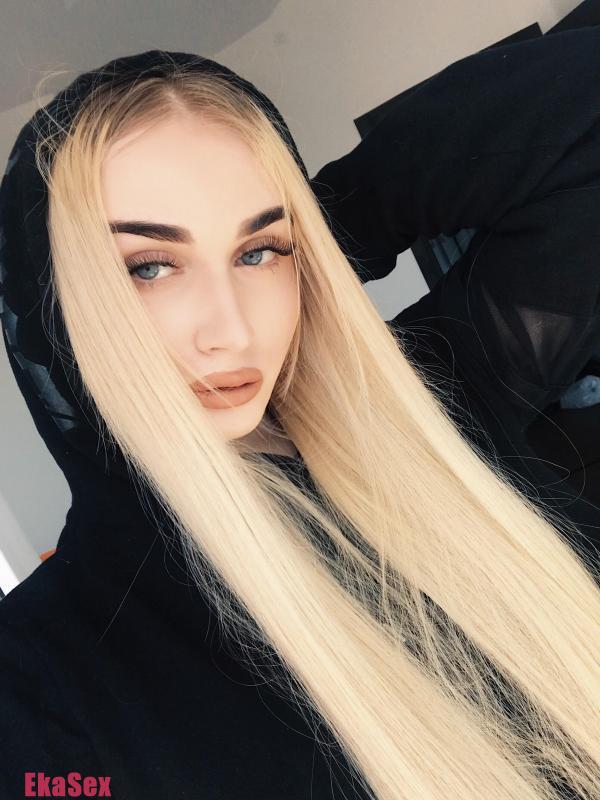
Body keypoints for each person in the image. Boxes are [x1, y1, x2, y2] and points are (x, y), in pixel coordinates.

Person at [0, 41, 598, 800]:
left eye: (260, 251)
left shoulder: (435, 416)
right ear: (54, 306)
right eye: (148, 266)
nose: (233, 330)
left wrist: (321, 237)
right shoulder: (44, 682)